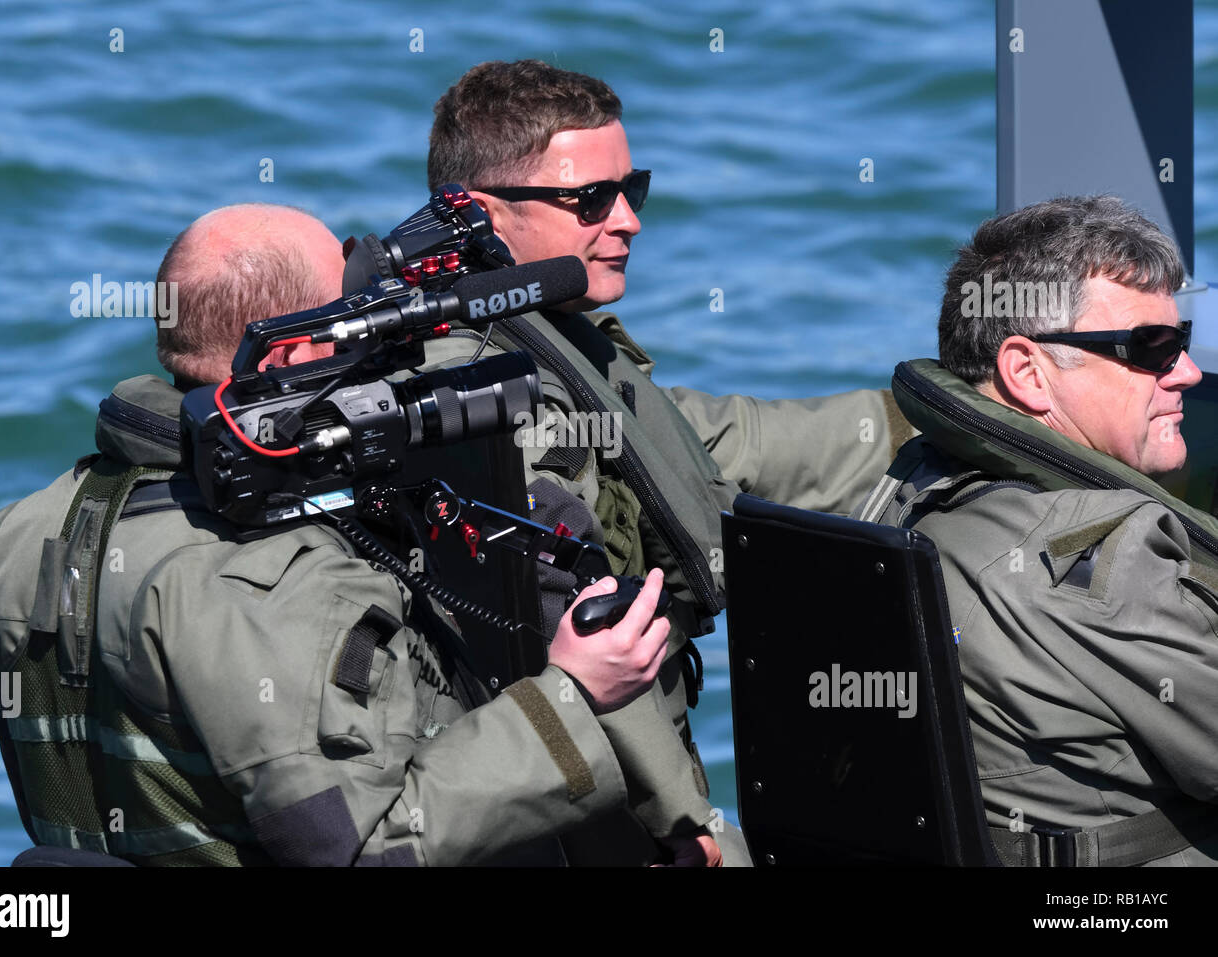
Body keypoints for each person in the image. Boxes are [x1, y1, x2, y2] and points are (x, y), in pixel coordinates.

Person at [0, 202, 723, 866]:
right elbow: (370, 845)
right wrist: (576, 693)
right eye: (354, 313)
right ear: (292, 351)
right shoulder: (270, 578)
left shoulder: (31, 526)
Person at [417, 60, 914, 855]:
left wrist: (947, 409)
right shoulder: (493, 396)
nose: (628, 221)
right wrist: (690, 825)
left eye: (631, 189)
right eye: (590, 200)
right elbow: (585, 629)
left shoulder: (559, 345)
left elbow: (721, 439)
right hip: (584, 813)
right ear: (482, 215)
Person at [856, 195, 1218, 866]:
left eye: (1183, 342)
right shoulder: (1108, 561)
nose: (1188, 374)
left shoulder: (919, 480)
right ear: (1027, 372)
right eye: (1153, 348)